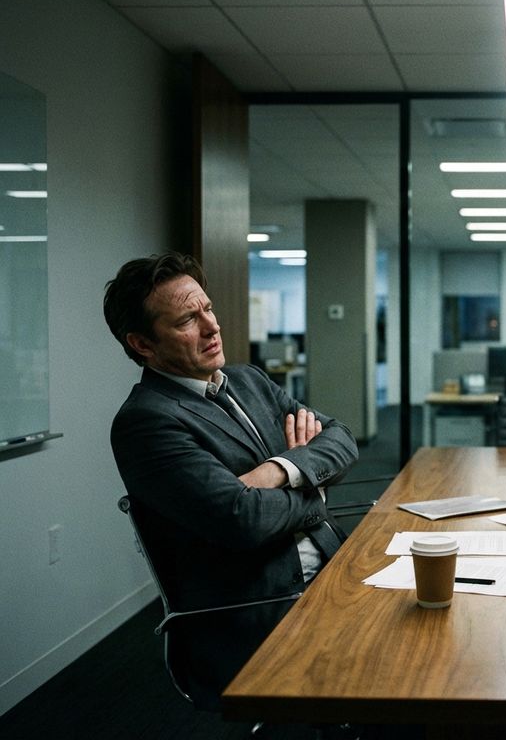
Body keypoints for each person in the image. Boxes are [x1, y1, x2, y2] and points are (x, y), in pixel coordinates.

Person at [104, 252, 359, 709]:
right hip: (263, 606)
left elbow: (341, 439)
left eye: (208, 308)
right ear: (142, 344)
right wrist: (312, 484)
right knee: (415, 675)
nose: (211, 327)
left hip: (332, 570)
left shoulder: (248, 381)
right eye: (187, 319)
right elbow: (241, 520)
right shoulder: (147, 421)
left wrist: (279, 469)